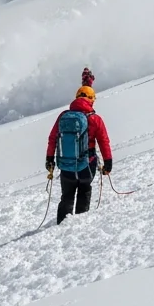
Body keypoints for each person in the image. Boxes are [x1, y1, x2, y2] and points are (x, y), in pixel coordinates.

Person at [45, 86, 113, 224]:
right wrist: (108, 162)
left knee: (67, 196)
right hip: (87, 164)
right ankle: (79, 223)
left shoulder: (63, 116)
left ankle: (61, 224)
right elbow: (103, 141)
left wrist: (49, 158)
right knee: (84, 190)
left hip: (66, 165)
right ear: (91, 99)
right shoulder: (95, 119)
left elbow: (53, 138)